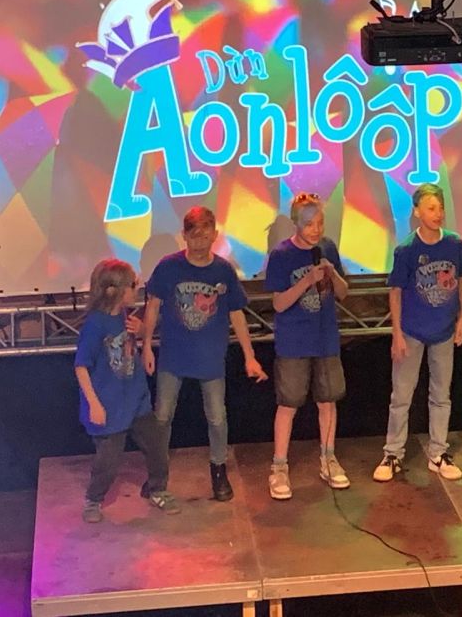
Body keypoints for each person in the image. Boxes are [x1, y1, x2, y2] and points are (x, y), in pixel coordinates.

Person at [142, 206, 267, 503]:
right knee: (162, 416)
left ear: (215, 235)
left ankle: (218, 471)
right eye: (194, 236)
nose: (199, 242)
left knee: (217, 417)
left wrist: (249, 355)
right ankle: (157, 474)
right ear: (184, 236)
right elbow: (153, 306)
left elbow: (236, 313)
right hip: (173, 355)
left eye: (205, 235)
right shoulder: (168, 267)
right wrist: (146, 345)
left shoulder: (223, 270)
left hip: (210, 357)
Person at [373, 184, 462, 483]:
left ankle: (438, 452)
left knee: (441, 394)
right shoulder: (407, 249)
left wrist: (461, 318)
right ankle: (393, 453)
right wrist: (396, 334)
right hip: (412, 330)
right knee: (402, 395)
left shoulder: (454, 244)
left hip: (443, 330)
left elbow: (461, 281)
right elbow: (395, 292)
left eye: (440, 208)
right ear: (417, 212)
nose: (437, 213)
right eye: (431, 208)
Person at [76, 259, 179, 523]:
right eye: (133, 285)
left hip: (136, 401)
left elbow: (132, 345)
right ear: (116, 291)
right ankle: (93, 499)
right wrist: (94, 404)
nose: (137, 288)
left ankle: (157, 489)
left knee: (156, 445)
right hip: (109, 406)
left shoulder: (125, 317)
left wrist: (143, 332)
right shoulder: (95, 325)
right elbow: (81, 367)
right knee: (108, 462)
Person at [265, 192, 350, 500]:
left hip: (325, 339)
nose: (315, 230)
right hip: (294, 342)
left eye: (320, 223)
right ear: (296, 223)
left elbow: (343, 292)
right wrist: (306, 281)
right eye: (309, 224)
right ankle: (279, 468)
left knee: (328, 401)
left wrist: (331, 273)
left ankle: (328, 458)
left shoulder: (327, 248)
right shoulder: (281, 255)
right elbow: (278, 303)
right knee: (288, 404)